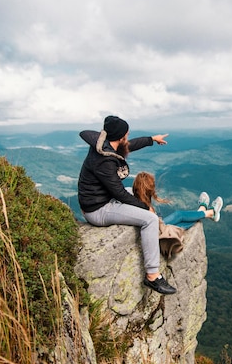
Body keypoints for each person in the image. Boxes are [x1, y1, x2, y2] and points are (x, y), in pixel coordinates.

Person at [77, 115, 176, 295]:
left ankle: (153, 229)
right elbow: (119, 194)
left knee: (138, 189)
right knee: (150, 220)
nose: (128, 138)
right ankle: (153, 276)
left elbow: (129, 146)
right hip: (98, 210)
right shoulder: (104, 161)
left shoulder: (105, 146)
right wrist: (146, 208)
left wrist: (151, 140)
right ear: (120, 137)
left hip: (104, 199)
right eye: (126, 135)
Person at [132, 171, 223, 229]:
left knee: (181, 221)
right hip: (156, 231)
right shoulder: (142, 205)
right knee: (179, 215)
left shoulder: (137, 201)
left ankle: (202, 211)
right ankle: (210, 212)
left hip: (156, 229)